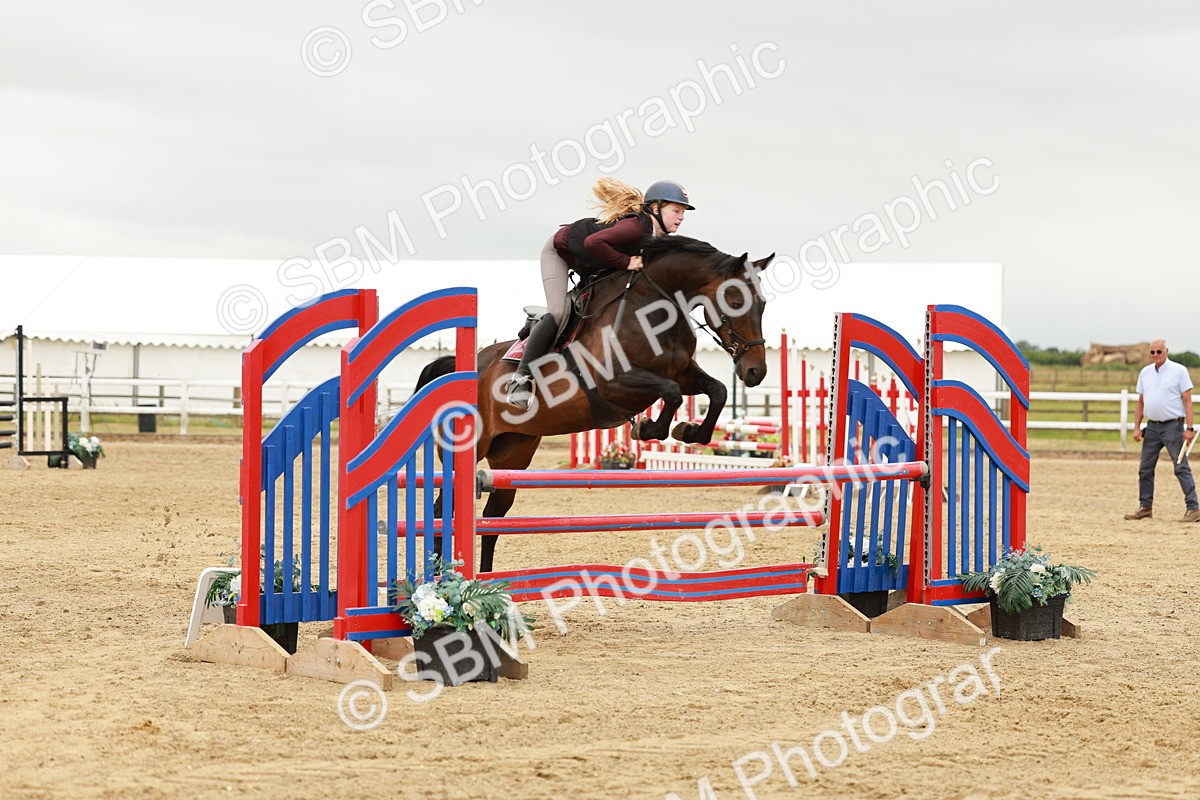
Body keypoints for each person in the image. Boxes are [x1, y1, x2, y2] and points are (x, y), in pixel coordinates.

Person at [504, 178, 694, 410]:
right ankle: (520, 379)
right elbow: (594, 242)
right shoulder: (635, 226)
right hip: (560, 252)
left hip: (592, 263)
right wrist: (626, 262)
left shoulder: (658, 238)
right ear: (655, 208)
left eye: (683, 212)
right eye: (676, 210)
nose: (681, 217)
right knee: (558, 311)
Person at [1124, 339, 1199, 522]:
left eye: (1159, 351)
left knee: (1180, 466)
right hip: (1152, 427)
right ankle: (1145, 507)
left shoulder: (1179, 371)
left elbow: (1187, 400)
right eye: (1153, 352)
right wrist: (1136, 427)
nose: (1156, 355)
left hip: (1173, 426)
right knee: (1145, 469)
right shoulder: (1145, 373)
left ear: (1166, 351)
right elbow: (1141, 402)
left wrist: (1189, 428)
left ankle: (1194, 507)